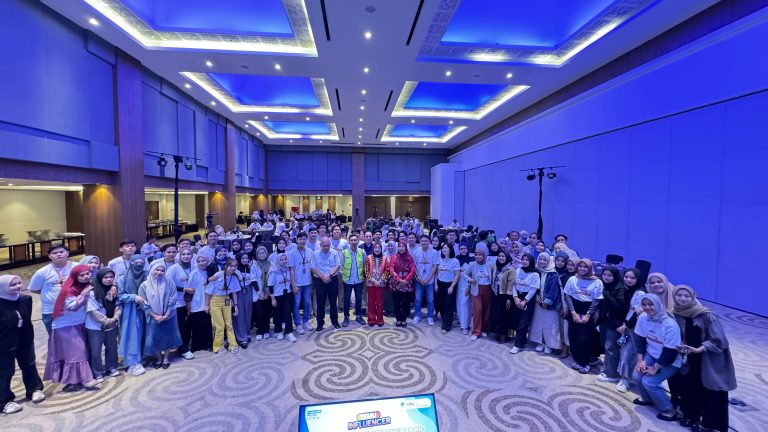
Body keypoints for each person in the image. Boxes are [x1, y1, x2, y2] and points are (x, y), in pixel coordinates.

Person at [672, 285, 736, 432]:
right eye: (679, 295)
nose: (682, 299)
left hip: (710, 358)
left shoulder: (706, 314)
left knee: (712, 390)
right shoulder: (676, 313)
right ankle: (691, 416)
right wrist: (681, 345)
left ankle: (709, 424)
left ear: (693, 297)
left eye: (686, 296)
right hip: (690, 357)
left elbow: (720, 340)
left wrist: (700, 348)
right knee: (691, 387)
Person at [44, 265, 99, 389]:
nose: (86, 277)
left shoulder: (87, 285)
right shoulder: (69, 290)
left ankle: (74, 379)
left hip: (80, 322)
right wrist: (84, 294)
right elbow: (73, 307)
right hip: (65, 325)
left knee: (74, 353)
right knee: (78, 351)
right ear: (75, 277)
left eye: (87, 273)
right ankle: (86, 379)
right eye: (82, 275)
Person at [632, 293, 682, 422]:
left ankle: (669, 410)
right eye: (644, 304)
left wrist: (655, 368)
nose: (647, 307)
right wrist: (640, 360)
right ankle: (648, 399)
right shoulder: (643, 317)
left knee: (649, 382)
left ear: (658, 305)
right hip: (652, 353)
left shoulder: (670, 324)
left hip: (671, 360)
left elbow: (670, 352)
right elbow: (639, 340)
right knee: (636, 375)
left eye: (651, 304)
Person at [0, 275, 45, 415]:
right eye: (13, 285)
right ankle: (4, 401)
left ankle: (34, 389)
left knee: (29, 364)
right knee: (5, 371)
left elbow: (26, 319)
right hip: (4, 342)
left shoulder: (26, 299)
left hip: (24, 338)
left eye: (19, 283)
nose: (18, 286)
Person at [139, 260, 182, 369]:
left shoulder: (169, 282)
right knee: (154, 337)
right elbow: (144, 303)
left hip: (169, 315)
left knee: (168, 336)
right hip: (153, 316)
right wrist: (156, 316)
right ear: (152, 270)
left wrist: (166, 314)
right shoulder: (144, 285)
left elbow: (173, 298)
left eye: (162, 270)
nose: (159, 272)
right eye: (157, 270)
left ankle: (166, 358)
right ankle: (158, 358)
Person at [563, 259, 603, 373]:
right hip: (574, 309)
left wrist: (588, 315)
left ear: (590, 268)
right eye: (580, 266)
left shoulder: (597, 282)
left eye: (585, 267)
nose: (582, 269)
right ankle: (577, 360)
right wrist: (573, 312)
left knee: (584, 338)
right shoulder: (572, 279)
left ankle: (584, 363)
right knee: (573, 336)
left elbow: (596, 300)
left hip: (588, 309)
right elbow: (567, 295)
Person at [28, 244, 76, 335]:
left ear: (67, 253)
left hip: (74, 308)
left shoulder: (76, 267)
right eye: (55, 253)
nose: (59, 254)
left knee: (75, 337)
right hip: (51, 310)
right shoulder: (42, 272)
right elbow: (34, 289)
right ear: (49, 256)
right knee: (54, 338)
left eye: (61, 252)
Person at [85, 268, 121, 381]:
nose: (109, 279)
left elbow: (118, 306)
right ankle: (97, 372)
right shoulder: (92, 292)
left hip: (112, 325)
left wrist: (114, 319)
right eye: (105, 277)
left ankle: (112, 367)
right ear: (100, 278)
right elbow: (93, 311)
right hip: (95, 327)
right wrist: (107, 321)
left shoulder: (115, 290)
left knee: (112, 347)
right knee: (96, 350)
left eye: (111, 277)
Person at [616, 267, 647, 393]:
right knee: (626, 351)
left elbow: (636, 313)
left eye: (632, 278)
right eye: (626, 277)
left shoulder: (640, 293)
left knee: (629, 352)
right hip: (629, 325)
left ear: (638, 279)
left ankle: (625, 379)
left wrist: (626, 326)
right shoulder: (629, 289)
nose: (628, 280)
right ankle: (626, 377)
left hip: (634, 327)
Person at [596, 266, 627, 383]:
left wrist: (606, 294)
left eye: (610, 275)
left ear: (615, 276)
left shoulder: (620, 288)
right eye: (604, 275)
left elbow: (619, 306)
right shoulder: (604, 285)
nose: (606, 277)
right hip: (605, 320)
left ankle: (611, 374)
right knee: (605, 344)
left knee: (611, 347)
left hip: (615, 322)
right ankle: (609, 368)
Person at [118, 255, 148, 376]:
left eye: (142, 262)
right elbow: (120, 295)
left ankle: (141, 357)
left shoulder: (147, 276)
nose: (139, 265)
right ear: (131, 263)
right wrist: (133, 297)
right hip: (130, 310)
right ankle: (132, 362)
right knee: (132, 335)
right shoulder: (122, 278)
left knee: (144, 333)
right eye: (136, 262)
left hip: (145, 309)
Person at [205, 258, 241, 353]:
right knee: (219, 325)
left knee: (229, 324)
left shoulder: (234, 277)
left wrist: (236, 306)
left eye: (235, 266)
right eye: (231, 266)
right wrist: (206, 305)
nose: (233, 268)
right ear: (226, 266)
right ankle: (218, 346)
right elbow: (208, 292)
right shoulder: (218, 275)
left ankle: (232, 345)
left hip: (227, 300)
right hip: (215, 300)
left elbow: (234, 293)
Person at [529, 252, 562, 354]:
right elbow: (533, 285)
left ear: (549, 261)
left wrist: (547, 301)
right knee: (538, 323)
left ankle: (549, 344)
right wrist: (536, 295)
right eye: (540, 259)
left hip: (550, 304)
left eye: (544, 260)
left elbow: (553, 289)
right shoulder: (536, 271)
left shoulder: (553, 273)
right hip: (538, 303)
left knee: (550, 324)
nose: (542, 262)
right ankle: (540, 342)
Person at [509, 253, 540, 354]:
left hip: (528, 299)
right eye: (523, 259)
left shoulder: (535, 273)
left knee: (523, 322)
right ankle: (522, 340)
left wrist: (525, 301)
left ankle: (517, 345)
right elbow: (513, 284)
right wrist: (515, 297)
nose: (525, 261)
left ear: (531, 261)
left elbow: (534, 288)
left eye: (527, 260)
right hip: (517, 297)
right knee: (516, 320)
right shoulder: (518, 270)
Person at [311, 237, 342, 332]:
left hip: (332, 279)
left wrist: (329, 275)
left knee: (333, 302)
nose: (326, 247)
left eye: (328, 245)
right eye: (324, 246)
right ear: (320, 245)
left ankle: (335, 322)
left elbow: (337, 265)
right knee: (320, 303)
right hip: (320, 280)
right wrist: (322, 277)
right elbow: (313, 267)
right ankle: (320, 324)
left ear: (330, 244)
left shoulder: (334, 253)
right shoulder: (315, 253)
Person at [465, 249, 496, 340]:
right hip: (476, 290)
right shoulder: (472, 264)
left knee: (486, 310)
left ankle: (484, 329)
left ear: (484, 255)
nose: (478, 256)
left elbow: (494, 274)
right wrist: (470, 280)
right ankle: (476, 332)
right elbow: (464, 274)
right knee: (477, 310)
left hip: (488, 289)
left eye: (480, 255)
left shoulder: (490, 264)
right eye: (476, 254)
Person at [268, 253, 297, 342]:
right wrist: (273, 299)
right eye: (282, 259)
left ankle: (289, 332)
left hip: (287, 294)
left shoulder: (288, 269)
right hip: (277, 296)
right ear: (278, 261)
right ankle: (278, 331)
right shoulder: (273, 271)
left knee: (288, 313)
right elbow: (270, 286)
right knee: (277, 314)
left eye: (285, 259)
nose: (284, 261)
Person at [412, 235, 439, 325]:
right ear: (420, 242)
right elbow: (414, 266)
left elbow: (435, 267)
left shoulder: (434, 252)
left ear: (429, 242)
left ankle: (430, 316)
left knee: (430, 299)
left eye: (425, 241)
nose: (424, 242)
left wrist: (428, 278)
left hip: (430, 281)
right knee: (418, 298)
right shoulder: (416, 252)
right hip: (419, 280)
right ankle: (417, 315)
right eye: (422, 241)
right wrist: (418, 277)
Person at [341, 234, 367, 326]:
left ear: (358, 241)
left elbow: (364, 265)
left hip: (359, 280)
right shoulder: (344, 253)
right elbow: (341, 266)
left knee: (358, 298)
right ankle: (346, 317)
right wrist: (344, 276)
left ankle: (358, 316)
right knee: (347, 299)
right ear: (349, 241)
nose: (353, 242)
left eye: (355, 240)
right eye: (351, 240)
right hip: (347, 280)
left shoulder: (362, 252)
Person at [290, 232, 313, 335]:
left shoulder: (310, 251)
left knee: (307, 302)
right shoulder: (292, 253)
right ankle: (298, 324)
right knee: (296, 303)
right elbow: (292, 270)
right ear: (296, 240)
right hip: (297, 283)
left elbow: (312, 267)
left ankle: (305, 321)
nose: (302, 241)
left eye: (304, 239)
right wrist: (293, 285)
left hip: (307, 282)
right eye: (300, 239)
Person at [389, 241, 416, 328]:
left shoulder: (410, 257)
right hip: (396, 283)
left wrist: (406, 280)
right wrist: (399, 279)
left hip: (407, 284)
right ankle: (398, 319)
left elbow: (412, 270)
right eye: (399, 246)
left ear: (405, 247)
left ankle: (404, 319)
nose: (401, 248)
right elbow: (391, 269)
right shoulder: (394, 257)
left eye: (403, 246)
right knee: (396, 302)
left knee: (405, 302)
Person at [435, 243, 460, 334]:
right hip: (440, 283)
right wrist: (436, 284)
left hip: (449, 284)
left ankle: (446, 326)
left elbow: (457, 275)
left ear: (450, 250)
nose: (444, 249)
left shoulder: (455, 261)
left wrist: (452, 286)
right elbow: (437, 273)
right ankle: (444, 320)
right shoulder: (440, 259)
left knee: (449, 306)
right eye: (443, 248)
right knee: (441, 304)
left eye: (446, 248)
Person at [364, 242, 389, 327]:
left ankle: (380, 320)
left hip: (380, 284)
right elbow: (366, 270)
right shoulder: (368, 257)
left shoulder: (385, 258)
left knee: (379, 302)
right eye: (375, 247)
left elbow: (387, 270)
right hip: (371, 283)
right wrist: (373, 280)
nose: (377, 249)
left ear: (381, 249)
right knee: (371, 302)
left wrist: (381, 280)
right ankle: (371, 319)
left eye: (379, 248)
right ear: (373, 249)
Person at [232, 252, 254, 348]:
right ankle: (241, 338)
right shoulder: (234, 269)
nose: (245, 260)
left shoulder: (250, 268)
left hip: (248, 291)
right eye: (243, 258)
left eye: (246, 258)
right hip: (238, 293)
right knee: (239, 315)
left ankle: (246, 334)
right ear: (238, 259)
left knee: (248, 314)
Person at [493, 251, 516, 343]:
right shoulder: (496, 266)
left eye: (503, 256)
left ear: (507, 257)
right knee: (497, 314)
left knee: (505, 315)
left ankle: (505, 335)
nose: (501, 258)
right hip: (496, 293)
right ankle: (498, 332)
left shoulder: (511, 269)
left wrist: (509, 298)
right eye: (499, 256)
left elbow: (511, 284)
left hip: (505, 295)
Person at [252, 246, 273, 340]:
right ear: (257, 255)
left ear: (266, 253)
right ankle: (260, 331)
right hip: (258, 293)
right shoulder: (254, 265)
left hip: (268, 292)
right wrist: (259, 292)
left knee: (267, 312)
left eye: (263, 253)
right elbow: (253, 280)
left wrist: (268, 291)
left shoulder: (271, 264)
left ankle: (266, 330)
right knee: (260, 313)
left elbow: (272, 278)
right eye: (259, 253)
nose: (262, 255)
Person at [455, 243, 473, 335]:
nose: (463, 250)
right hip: (459, 285)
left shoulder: (472, 259)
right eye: (461, 248)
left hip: (471, 285)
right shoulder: (456, 259)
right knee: (461, 304)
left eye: (465, 248)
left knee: (469, 305)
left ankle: (467, 324)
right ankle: (463, 325)